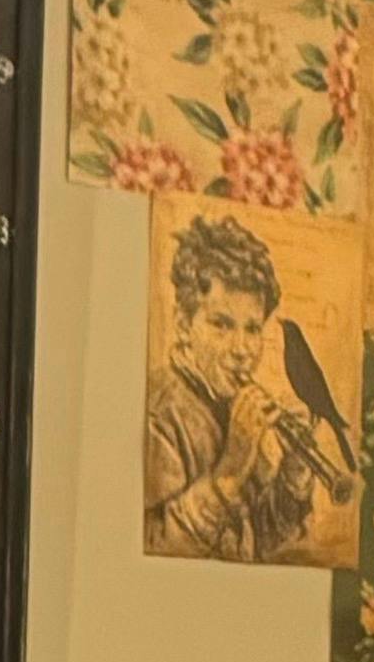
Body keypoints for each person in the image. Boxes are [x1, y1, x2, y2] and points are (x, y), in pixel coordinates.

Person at [146, 207, 349, 558]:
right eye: (221, 325)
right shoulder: (159, 412)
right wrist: (228, 474)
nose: (242, 350)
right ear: (182, 324)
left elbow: (252, 545)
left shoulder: (228, 401)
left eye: (253, 329)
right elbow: (152, 547)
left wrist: (293, 478)